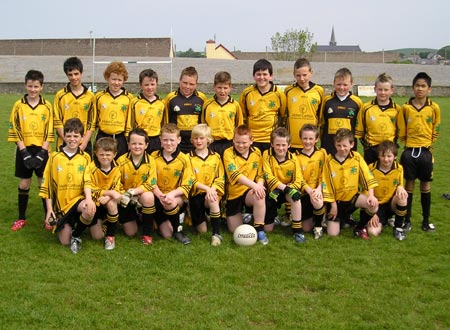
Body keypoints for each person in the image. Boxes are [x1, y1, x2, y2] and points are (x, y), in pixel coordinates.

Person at [40, 118, 99, 254]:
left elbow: (87, 181)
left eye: (76, 136)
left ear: (82, 137)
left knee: (93, 224)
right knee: (64, 242)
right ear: (63, 136)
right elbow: (47, 186)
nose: (72, 139)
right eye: (69, 136)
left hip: (78, 201)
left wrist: (89, 200)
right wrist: (49, 210)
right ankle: (73, 227)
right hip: (62, 207)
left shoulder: (85, 158)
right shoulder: (54, 157)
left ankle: (76, 235)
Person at [8, 69, 54, 231]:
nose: (33, 90)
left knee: (43, 183)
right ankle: (21, 218)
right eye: (30, 86)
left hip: (41, 149)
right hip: (24, 150)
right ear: (25, 86)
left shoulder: (47, 106)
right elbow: (15, 129)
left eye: (36, 86)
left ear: (42, 87)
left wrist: (42, 152)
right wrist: (24, 152)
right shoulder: (18, 105)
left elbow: (49, 130)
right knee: (24, 183)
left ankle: (48, 217)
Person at [397, 72, 441, 232]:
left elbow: (436, 129)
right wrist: (409, 143)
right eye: (417, 86)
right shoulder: (406, 108)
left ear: (429, 89)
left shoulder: (434, 108)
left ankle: (426, 220)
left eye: (423, 86)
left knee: (425, 185)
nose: (420, 89)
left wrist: (427, 144)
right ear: (413, 88)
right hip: (409, 152)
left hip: (426, 152)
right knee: (409, 184)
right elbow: (401, 131)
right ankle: (407, 220)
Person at [322, 128, 379, 239]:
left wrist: (371, 195)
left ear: (352, 144)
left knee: (373, 206)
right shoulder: (329, 160)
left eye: (345, 145)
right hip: (336, 202)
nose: (342, 148)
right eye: (339, 145)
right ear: (335, 144)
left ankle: (360, 227)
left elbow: (367, 177)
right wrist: (333, 205)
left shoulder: (357, 157)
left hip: (352, 199)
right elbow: (326, 184)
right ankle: (342, 218)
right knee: (333, 234)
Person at [151, 123, 196, 244]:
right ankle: (159, 220)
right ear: (160, 139)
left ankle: (178, 230)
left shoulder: (185, 159)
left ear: (179, 140)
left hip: (174, 198)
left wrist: (171, 194)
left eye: (172, 140)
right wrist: (160, 195)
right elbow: (150, 181)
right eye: (165, 140)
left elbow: (187, 184)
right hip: (157, 196)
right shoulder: (153, 157)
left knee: (170, 203)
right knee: (166, 235)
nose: (169, 143)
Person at [222, 125, 267, 244]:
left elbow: (261, 174)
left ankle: (260, 230)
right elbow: (235, 175)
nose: (241, 145)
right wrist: (255, 185)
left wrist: (259, 185)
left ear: (251, 141)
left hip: (249, 192)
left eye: (244, 142)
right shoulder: (228, 153)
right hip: (233, 194)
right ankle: (242, 216)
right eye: (237, 142)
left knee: (260, 195)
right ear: (233, 140)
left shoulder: (257, 153)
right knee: (235, 230)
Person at [262, 127, 307, 243]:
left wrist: (288, 189)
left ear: (289, 145)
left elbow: (298, 179)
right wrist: (284, 188)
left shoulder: (294, 158)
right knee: (268, 229)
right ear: (272, 144)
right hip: (273, 192)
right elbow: (268, 176)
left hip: (286, 190)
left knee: (296, 198)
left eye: (283, 145)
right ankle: (273, 216)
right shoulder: (266, 155)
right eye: (277, 145)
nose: (280, 148)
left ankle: (297, 230)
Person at [116, 128, 157, 245]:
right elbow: (116, 182)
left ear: (146, 145)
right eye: (133, 143)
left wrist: (133, 192)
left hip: (140, 195)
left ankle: (147, 234)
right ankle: (137, 216)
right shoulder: (121, 160)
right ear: (128, 145)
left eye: (140, 144)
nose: (137, 146)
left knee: (149, 196)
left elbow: (151, 183)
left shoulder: (151, 161)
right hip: (125, 198)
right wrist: (126, 194)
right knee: (131, 233)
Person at [188, 124, 225, 246]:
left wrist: (212, 189)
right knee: (202, 231)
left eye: (201, 138)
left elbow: (220, 178)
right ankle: (196, 212)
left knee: (213, 199)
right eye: (196, 138)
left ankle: (216, 234)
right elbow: (190, 180)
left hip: (211, 193)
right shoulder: (187, 158)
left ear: (208, 139)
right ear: (192, 140)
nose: (198, 141)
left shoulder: (216, 157)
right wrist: (206, 188)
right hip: (196, 195)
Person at [239, 59, 286, 153]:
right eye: (258, 74)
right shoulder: (247, 93)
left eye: (265, 74)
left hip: (271, 139)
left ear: (271, 76)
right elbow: (242, 116)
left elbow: (283, 115)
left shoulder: (279, 94)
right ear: (254, 76)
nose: (261, 77)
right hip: (252, 139)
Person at [53, 56, 97, 156]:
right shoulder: (60, 96)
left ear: (81, 73)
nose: (74, 77)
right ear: (66, 75)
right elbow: (57, 121)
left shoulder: (90, 96)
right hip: (64, 141)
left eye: (76, 74)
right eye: (70, 75)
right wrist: (69, 140)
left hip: (83, 143)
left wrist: (84, 143)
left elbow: (92, 123)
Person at [365, 141, 408, 240]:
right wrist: (372, 213)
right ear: (378, 156)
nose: (386, 159)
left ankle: (398, 227)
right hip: (376, 206)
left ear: (395, 157)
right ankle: (383, 221)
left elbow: (400, 185)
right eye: (383, 156)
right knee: (372, 233)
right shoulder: (371, 168)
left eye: (389, 156)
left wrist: (401, 187)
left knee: (402, 196)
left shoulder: (399, 168)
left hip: (390, 204)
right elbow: (366, 192)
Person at [355, 73, 401, 164]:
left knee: (388, 177)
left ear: (391, 90)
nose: (383, 93)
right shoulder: (365, 108)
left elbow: (400, 131)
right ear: (375, 89)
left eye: (386, 90)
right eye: (380, 89)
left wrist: (393, 145)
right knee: (370, 177)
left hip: (389, 151)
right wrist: (367, 147)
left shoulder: (398, 110)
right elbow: (359, 132)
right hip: (371, 151)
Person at [88, 137, 122, 250]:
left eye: (108, 154)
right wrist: (107, 193)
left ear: (114, 154)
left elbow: (116, 187)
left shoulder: (117, 168)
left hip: (108, 200)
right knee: (97, 236)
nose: (105, 157)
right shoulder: (91, 167)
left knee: (113, 203)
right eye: (101, 154)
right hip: (95, 201)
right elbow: (90, 188)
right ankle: (104, 222)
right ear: (95, 153)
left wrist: (107, 196)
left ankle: (110, 236)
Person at [319, 68, 363, 155]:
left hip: (347, 147)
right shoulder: (326, 101)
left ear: (351, 84)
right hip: (329, 146)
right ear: (334, 83)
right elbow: (321, 123)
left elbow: (359, 126)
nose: (342, 88)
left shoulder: (357, 102)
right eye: (338, 84)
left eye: (345, 85)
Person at [284, 58, 324, 151]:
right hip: (291, 143)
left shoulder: (319, 91)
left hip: (310, 143)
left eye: (305, 75)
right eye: (298, 75)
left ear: (311, 73)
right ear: (294, 75)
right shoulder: (288, 91)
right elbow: (284, 115)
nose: (302, 79)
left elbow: (320, 116)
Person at [95, 61, 133, 158]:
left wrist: (129, 140)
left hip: (120, 139)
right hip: (102, 137)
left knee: (120, 168)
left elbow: (130, 122)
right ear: (107, 78)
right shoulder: (99, 97)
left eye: (119, 80)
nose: (116, 83)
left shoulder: (129, 98)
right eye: (114, 79)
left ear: (124, 80)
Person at [164, 66, 206, 153]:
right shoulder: (170, 98)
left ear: (196, 83)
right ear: (179, 81)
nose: (187, 86)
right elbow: (165, 121)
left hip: (195, 142)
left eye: (191, 84)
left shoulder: (202, 98)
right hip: (176, 143)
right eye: (185, 83)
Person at [295, 124, 327, 239]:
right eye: (305, 138)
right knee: (305, 228)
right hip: (305, 193)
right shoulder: (296, 157)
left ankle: (318, 227)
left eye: (311, 139)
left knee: (317, 200)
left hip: (319, 190)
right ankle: (318, 216)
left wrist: (318, 189)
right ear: (300, 138)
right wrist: (309, 191)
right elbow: (299, 178)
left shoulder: (322, 153)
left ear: (316, 139)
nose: (307, 141)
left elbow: (325, 174)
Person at [201, 71, 243, 156]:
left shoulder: (235, 105)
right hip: (212, 143)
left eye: (225, 88)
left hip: (229, 143)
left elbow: (239, 126)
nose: (222, 91)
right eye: (219, 87)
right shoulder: (207, 105)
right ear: (214, 87)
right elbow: (203, 125)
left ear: (230, 87)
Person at [127, 68, 165, 153]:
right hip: (139, 140)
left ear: (156, 84)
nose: (150, 87)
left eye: (152, 84)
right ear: (141, 85)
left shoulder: (162, 103)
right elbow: (130, 123)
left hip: (156, 140)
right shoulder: (135, 102)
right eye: (146, 85)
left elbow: (164, 124)